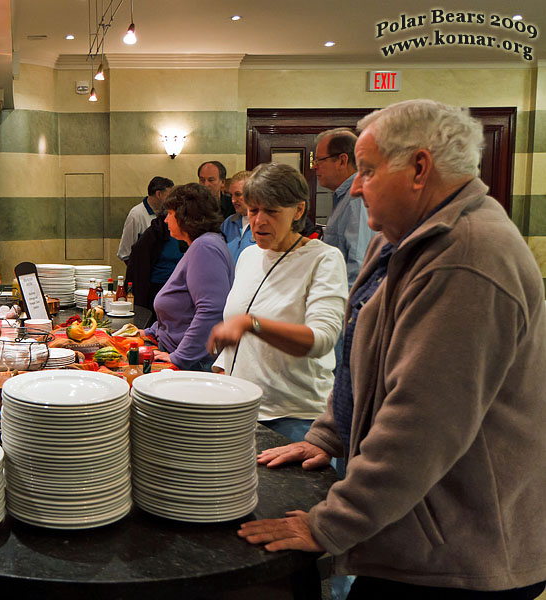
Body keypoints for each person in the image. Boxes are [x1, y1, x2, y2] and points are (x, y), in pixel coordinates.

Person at [235, 100, 546, 599]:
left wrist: (332, 524)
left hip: (461, 556)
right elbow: (364, 360)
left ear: (420, 169)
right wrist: (328, 436)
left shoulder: (467, 256)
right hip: (420, 537)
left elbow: (424, 419)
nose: (354, 187)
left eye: (367, 171)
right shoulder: (404, 239)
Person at [209, 163, 347, 442]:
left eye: (271, 211)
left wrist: (252, 325)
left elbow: (321, 340)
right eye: (253, 209)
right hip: (242, 409)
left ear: (298, 210)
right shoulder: (248, 256)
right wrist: (223, 370)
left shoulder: (324, 259)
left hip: (294, 418)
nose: (259, 221)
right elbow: (239, 321)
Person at [142, 183, 233, 371]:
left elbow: (211, 310)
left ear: (185, 216)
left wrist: (180, 357)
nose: (166, 220)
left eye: (170, 214)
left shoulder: (205, 247)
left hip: (193, 364)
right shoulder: (201, 244)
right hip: (179, 353)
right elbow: (181, 308)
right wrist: (149, 331)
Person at [313, 128, 373, 290]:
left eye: (319, 160)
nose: (314, 167)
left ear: (342, 160)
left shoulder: (357, 198)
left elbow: (359, 263)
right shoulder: (343, 197)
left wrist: (346, 311)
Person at [117, 176, 173, 263]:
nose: (170, 199)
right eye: (169, 195)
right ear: (158, 194)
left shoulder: (168, 213)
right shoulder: (136, 214)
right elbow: (126, 253)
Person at [219, 170, 255, 263]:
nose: (233, 200)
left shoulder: (265, 224)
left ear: (253, 193)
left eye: (238, 194)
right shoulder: (228, 223)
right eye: (231, 195)